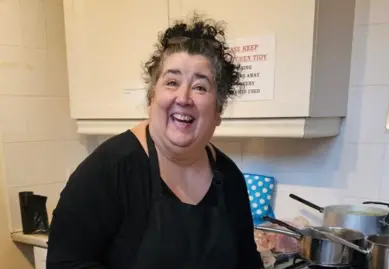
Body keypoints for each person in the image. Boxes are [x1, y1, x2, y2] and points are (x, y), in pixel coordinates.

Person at [46, 15, 264, 269]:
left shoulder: (229, 178)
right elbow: (65, 263)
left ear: (218, 111)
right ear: (152, 98)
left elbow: (248, 263)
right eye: (172, 82)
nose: (183, 98)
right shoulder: (108, 170)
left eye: (201, 88)